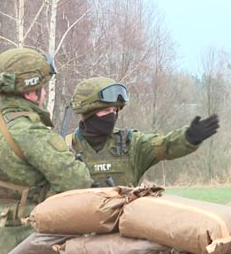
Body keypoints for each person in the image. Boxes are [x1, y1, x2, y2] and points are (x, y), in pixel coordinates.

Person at [0, 48, 92, 254]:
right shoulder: (28, 131)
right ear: (29, 93)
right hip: (36, 238)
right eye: (42, 88)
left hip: (4, 236)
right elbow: (78, 181)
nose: (44, 93)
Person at [67, 77, 219, 187]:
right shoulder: (66, 149)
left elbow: (165, 145)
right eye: (106, 110)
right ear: (88, 113)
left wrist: (189, 137)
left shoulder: (131, 144)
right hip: (78, 230)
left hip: (124, 228)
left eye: (115, 110)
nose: (112, 115)